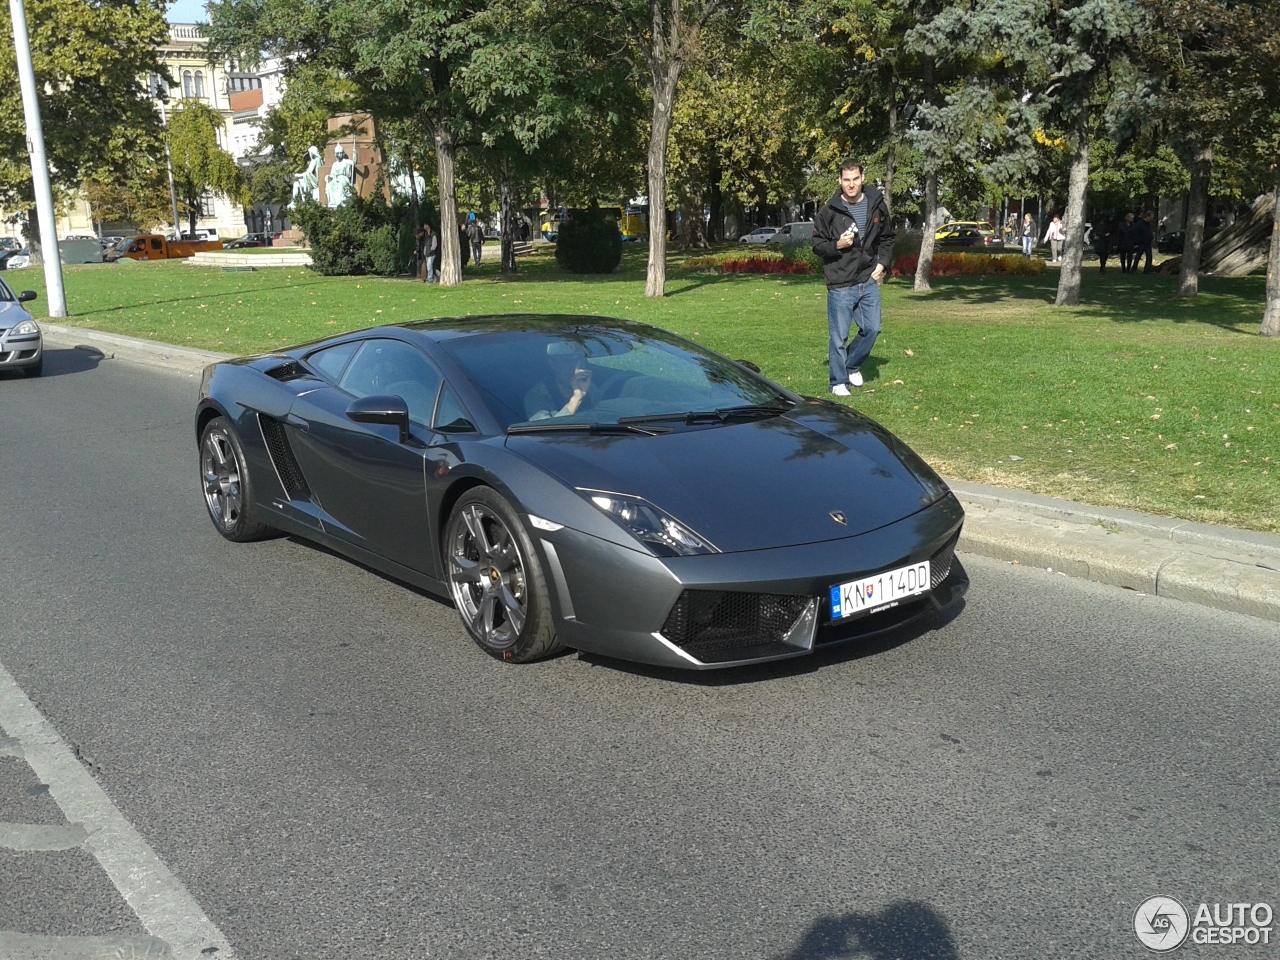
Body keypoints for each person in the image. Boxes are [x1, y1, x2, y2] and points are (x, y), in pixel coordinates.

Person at [812, 160, 895, 396]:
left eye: (855, 179)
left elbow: (888, 238)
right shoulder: (829, 211)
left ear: (862, 178)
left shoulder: (876, 205)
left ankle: (851, 365)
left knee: (872, 328)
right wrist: (837, 245)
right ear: (840, 181)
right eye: (846, 180)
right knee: (839, 337)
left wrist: (882, 264)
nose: (851, 184)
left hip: (867, 278)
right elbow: (817, 246)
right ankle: (838, 382)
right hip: (840, 282)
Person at [523, 342, 594, 420]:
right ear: (553, 364)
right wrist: (576, 399)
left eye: (577, 361)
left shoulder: (590, 389)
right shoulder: (537, 396)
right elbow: (545, 430)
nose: (575, 368)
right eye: (567, 361)